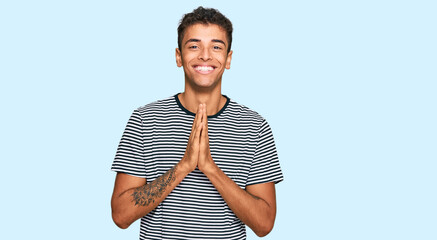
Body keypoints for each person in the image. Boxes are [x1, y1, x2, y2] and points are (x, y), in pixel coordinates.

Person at [111, 6, 283, 240]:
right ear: (178, 56)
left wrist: (210, 168)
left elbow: (264, 225)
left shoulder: (255, 127)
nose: (205, 55)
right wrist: (184, 166)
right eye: (194, 46)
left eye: (216, 47)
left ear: (228, 58)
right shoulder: (145, 120)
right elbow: (120, 215)